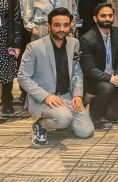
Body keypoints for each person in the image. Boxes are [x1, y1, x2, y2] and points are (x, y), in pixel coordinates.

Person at [18, 8, 94, 145]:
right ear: (49, 26)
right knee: (64, 118)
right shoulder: (34, 47)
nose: (62, 29)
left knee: (86, 132)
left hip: (68, 97)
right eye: (57, 25)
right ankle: (41, 125)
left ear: (70, 26)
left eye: (66, 25)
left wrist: (78, 94)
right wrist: (46, 96)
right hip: (44, 99)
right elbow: (23, 77)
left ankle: (62, 118)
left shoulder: (74, 43)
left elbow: (77, 71)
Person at [2, 0, 39, 112]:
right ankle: (6, 99)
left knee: (28, 61)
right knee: (9, 61)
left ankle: (26, 94)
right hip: (9, 26)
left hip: (29, 26)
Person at [79, 3, 118, 128]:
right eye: (103, 16)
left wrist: (117, 74)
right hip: (94, 80)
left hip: (112, 79)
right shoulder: (87, 39)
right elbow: (89, 70)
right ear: (95, 18)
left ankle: (96, 100)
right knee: (107, 89)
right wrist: (112, 79)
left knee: (114, 116)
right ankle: (94, 117)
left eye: (110, 15)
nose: (107, 19)